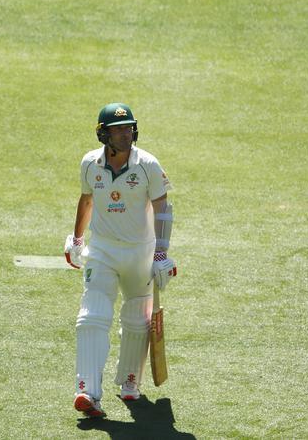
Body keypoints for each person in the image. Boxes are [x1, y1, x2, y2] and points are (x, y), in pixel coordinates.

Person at [64, 103, 177, 418]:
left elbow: (163, 207)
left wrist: (161, 253)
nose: (125, 134)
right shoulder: (90, 163)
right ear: (104, 133)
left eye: (128, 127)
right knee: (91, 315)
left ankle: (130, 382)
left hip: (140, 251)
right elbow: (87, 199)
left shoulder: (148, 165)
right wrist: (76, 239)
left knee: (136, 320)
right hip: (102, 249)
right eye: (118, 129)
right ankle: (87, 391)